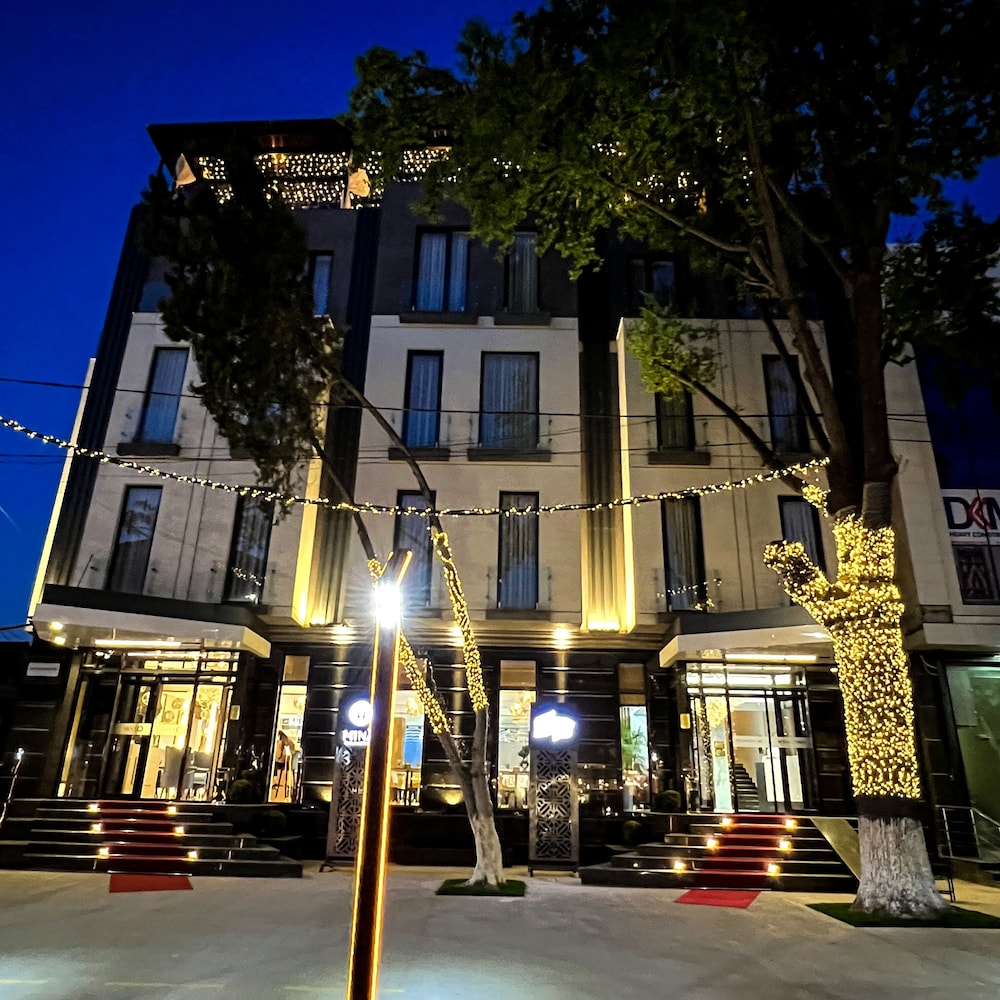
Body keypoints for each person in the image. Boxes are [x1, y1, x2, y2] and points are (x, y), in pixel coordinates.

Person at [273, 731, 296, 797]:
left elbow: (281, 755)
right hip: (289, 761)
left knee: (273, 766)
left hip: (284, 762)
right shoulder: (288, 741)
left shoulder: (282, 742)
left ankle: (275, 781)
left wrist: (278, 759)